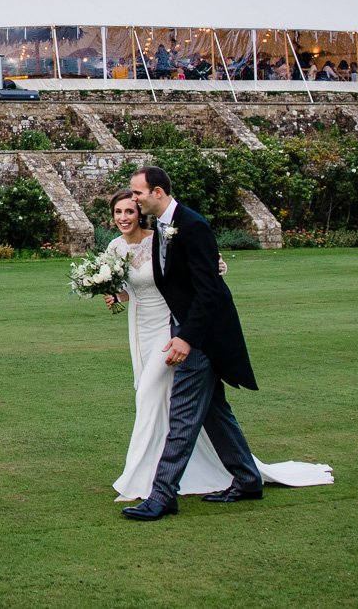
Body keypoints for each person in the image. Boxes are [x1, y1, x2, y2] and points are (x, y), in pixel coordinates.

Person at [117, 166, 331, 519]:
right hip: (188, 329)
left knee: (183, 417)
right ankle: (247, 479)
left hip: (203, 336)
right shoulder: (162, 227)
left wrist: (185, 337)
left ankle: (162, 496)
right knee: (215, 414)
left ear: (157, 192)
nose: (133, 198)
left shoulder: (194, 225)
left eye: (137, 193)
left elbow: (208, 291)